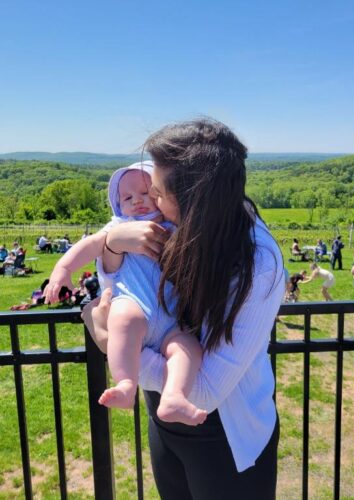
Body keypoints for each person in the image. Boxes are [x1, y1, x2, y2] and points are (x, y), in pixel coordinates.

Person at [81, 119, 284, 498]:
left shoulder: (257, 261)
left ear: (195, 200)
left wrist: (111, 339)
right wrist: (112, 245)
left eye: (157, 192)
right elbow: (127, 286)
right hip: (165, 417)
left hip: (226, 437)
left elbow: (205, 392)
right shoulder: (181, 228)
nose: (150, 200)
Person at [45, 162, 207, 425]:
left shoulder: (175, 226)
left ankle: (174, 396)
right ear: (118, 205)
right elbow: (90, 245)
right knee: (121, 318)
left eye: (145, 193)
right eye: (128, 198)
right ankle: (125, 384)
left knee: (188, 347)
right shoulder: (118, 226)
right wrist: (63, 268)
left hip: (171, 321)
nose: (138, 201)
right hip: (135, 306)